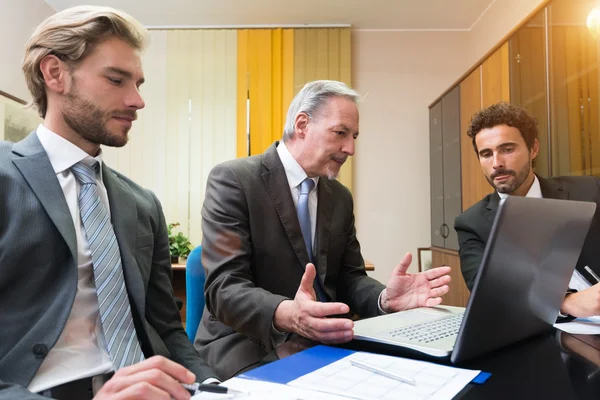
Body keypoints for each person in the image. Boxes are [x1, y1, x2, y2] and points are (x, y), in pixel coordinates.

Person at [0, 6, 217, 399]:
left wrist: (211, 386)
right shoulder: (4, 179)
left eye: (139, 83)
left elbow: (165, 327)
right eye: (117, 79)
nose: (137, 101)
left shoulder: (142, 203)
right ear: (54, 74)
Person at [194, 80, 452, 380]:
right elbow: (224, 289)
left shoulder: (339, 197)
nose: (351, 148)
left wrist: (384, 299)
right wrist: (290, 315)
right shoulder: (234, 180)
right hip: (248, 344)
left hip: (322, 343)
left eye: (354, 136)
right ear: (302, 124)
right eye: (341, 133)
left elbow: (349, 277)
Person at [455, 102, 600, 319]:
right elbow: (488, 293)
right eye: (486, 154)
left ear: (533, 149)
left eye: (507, 149)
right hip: (541, 332)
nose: (497, 163)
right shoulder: (471, 223)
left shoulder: (589, 190)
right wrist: (566, 302)